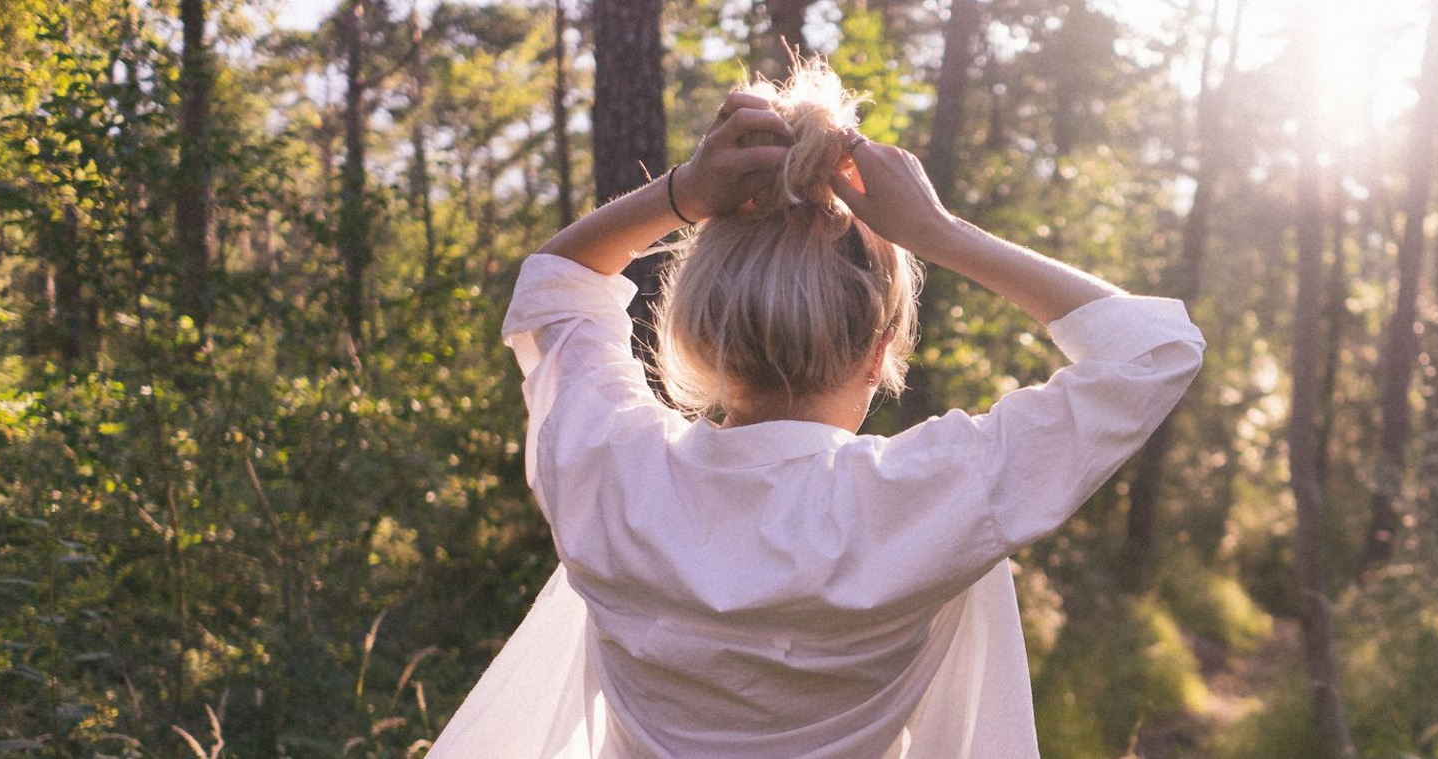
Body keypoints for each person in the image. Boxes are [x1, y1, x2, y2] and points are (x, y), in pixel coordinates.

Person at [428, 60, 1204, 758]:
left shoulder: (614, 476)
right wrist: (936, 231)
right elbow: (1155, 351)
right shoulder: (918, 499)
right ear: (880, 349)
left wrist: (684, 192)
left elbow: (556, 288)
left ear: (703, 328)